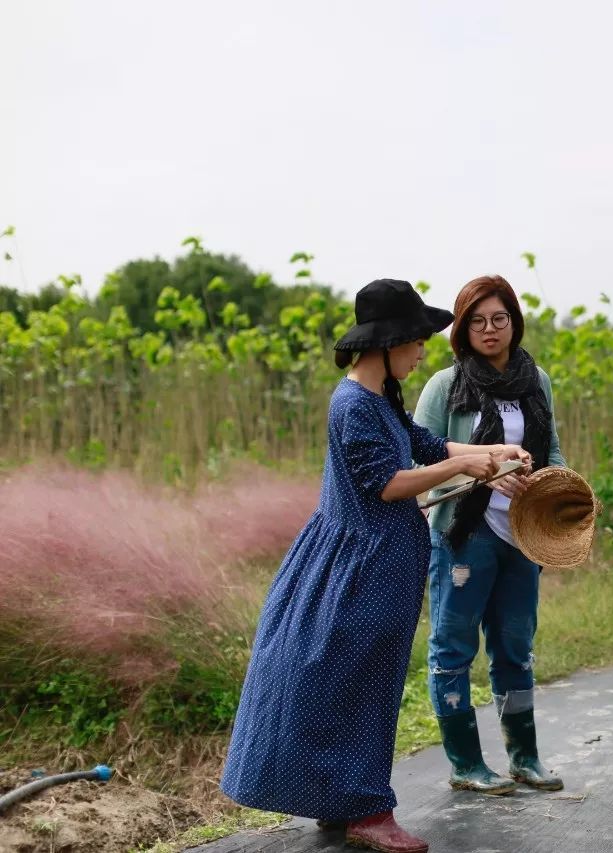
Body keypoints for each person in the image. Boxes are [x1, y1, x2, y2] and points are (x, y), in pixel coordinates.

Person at [221, 278, 531, 853]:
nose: (421, 352)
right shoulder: (353, 405)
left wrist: (492, 453)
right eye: (415, 342)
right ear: (386, 344)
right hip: (361, 566)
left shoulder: (380, 398)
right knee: (358, 681)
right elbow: (389, 484)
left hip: (378, 560)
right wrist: (472, 470)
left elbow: (426, 444)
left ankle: (342, 800)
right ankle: (367, 811)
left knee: (360, 680)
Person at [413, 275, 566, 796]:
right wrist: (484, 469)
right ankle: (466, 764)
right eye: (476, 321)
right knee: (453, 649)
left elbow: (554, 453)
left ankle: (525, 757)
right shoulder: (444, 386)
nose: (489, 329)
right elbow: (422, 460)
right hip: (463, 532)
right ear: (461, 328)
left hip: (522, 534)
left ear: (514, 321)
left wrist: (554, 489)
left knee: (516, 649)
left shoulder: (536, 380)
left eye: (499, 318)